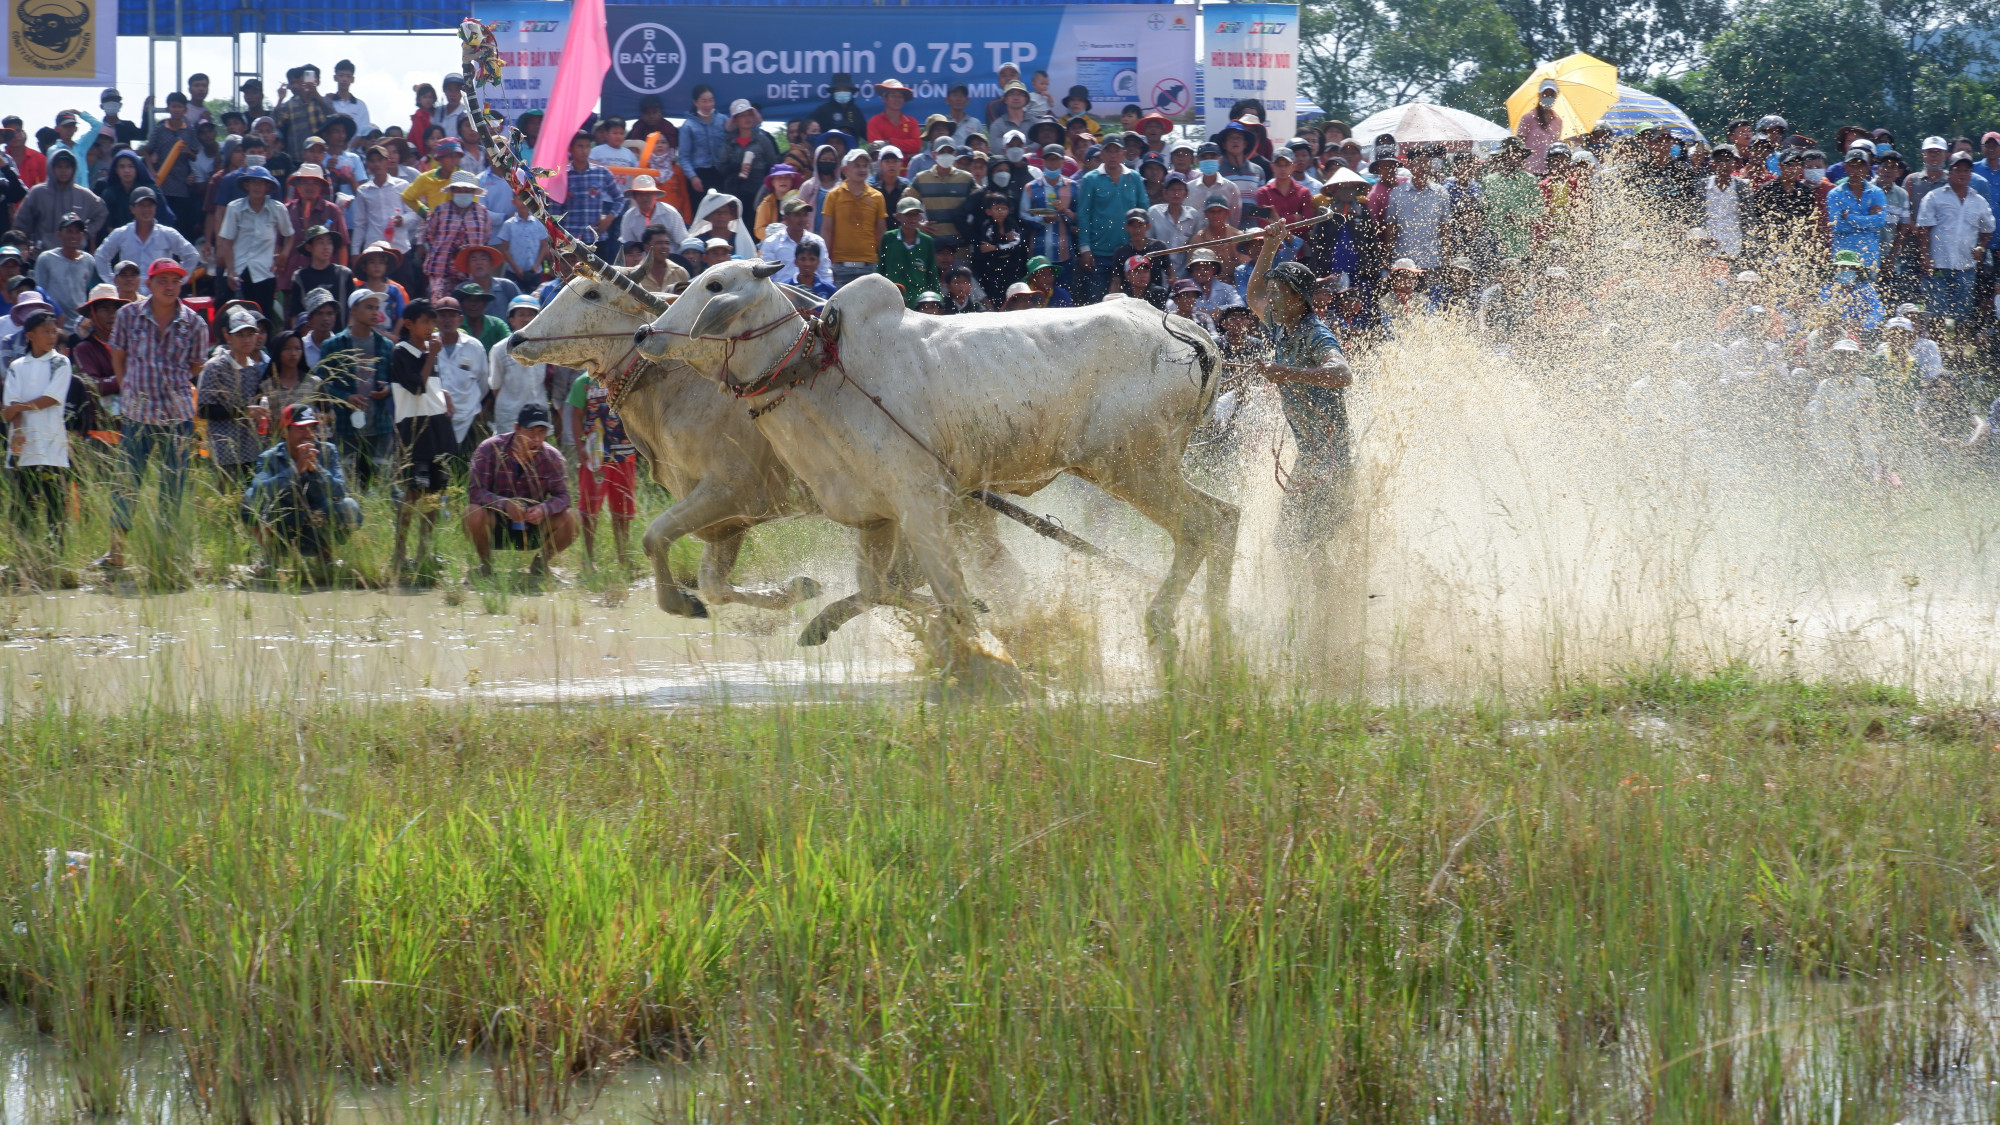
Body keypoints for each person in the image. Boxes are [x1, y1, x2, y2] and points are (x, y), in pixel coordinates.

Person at [1244, 219, 1354, 543]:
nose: (1271, 299)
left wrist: (1286, 373)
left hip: (1333, 460)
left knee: (1305, 545)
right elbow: (1254, 294)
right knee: (1289, 543)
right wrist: (1270, 245)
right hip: (1310, 457)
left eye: (1278, 292)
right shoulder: (1281, 323)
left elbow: (1342, 374)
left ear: (1297, 298)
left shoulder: (1316, 334)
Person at [103, 258, 208, 570]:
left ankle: (166, 555)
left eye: (175, 280)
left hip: (178, 416)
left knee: (173, 487)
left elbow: (195, 367)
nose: (169, 285)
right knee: (126, 484)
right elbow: (118, 358)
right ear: (149, 284)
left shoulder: (195, 323)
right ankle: (116, 554)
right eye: (162, 279)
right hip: (137, 413)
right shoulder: (128, 315)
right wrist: (129, 390)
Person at [239, 402, 360, 577]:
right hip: (283, 527)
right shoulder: (269, 457)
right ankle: (270, 560)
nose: (308, 435)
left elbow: (341, 490)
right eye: (300, 429)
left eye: (311, 428)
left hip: (317, 525)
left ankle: (326, 559)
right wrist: (294, 471)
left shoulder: (327, 451)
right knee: (249, 498)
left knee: (349, 506)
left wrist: (317, 470)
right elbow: (258, 490)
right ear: (284, 432)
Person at [383, 299, 455, 580]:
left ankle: (426, 551)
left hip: (436, 427)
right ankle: (399, 552)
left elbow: (429, 386)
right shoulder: (401, 351)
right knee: (413, 492)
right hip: (414, 431)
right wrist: (432, 356)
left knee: (435, 494)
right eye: (425, 322)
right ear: (409, 324)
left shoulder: (428, 350)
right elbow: (414, 387)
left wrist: (445, 395)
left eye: (432, 322)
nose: (430, 327)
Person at [464, 402, 576, 578]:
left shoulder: (553, 457)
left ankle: (540, 564)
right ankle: (486, 566)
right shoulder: (489, 449)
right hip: (496, 523)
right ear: (516, 428)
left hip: (534, 525)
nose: (536, 439)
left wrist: (543, 509)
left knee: (574, 518)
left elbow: (563, 497)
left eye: (541, 432)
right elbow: (475, 491)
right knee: (472, 513)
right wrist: (504, 505)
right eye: (531, 431)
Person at [4, 307, 72, 557]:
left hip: (51, 444)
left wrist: (20, 407)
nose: (52, 336)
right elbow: (9, 409)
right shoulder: (17, 366)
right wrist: (19, 428)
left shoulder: (60, 362)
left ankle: (56, 558)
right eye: (46, 332)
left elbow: (52, 398)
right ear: (30, 335)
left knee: (54, 505)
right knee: (23, 505)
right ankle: (23, 558)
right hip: (23, 446)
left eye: (54, 331)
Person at [314, 288, 396, 491]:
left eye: (377, 308)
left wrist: (388, 389)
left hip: (380, 425)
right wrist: (346, 397)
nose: (374, 312)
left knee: (383, 484)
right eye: (369, 307)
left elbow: (396, 381)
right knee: (348, 484)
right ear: (355, 310)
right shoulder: (333, 345)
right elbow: (321, 384)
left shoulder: (385, 345)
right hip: (345, 425)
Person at [564, 366, 637, 571]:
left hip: (625, 453)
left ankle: (624, 559)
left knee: (623, 511)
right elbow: (577, 416)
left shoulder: (626, 378)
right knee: (589, 511)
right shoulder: (583, 382)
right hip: (595, 456)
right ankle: (588, 561)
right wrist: (580, 448)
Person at [196, 306, 271, 484]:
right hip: (225, 449)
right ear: (228, 337)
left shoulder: (253, 367)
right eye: (240, 334)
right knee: (228, 497)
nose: (246, 340)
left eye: (250, 334)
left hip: (251, 446)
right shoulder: (215, 367)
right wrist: (244, 411)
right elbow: (204, 409)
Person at [1916, 153, 1996, 320]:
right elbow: (1924, 229)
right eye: (1958, 170)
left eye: (1966, 171)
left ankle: (1958, 345)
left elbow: (1988, 228)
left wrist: (1982, 246)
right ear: (1949, 173)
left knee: (1962, 312)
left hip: (1966, 264)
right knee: (1936, 310)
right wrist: (1924, 256)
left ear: (1971, 174)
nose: (1962, 174)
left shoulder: (1978, 201)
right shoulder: (1934, 197)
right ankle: (1937, 345)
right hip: (1937, 263)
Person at [216, 166, 294, 320]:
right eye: (254, 183)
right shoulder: (234, 208)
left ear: (268, 187)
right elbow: (227, 242)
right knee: (235, 319)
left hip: (264, 273)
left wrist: (284, 254)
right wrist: (231, 271)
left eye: (261, 183)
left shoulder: (277, 209)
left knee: (263, 320)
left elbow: (290, 235)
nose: (257, 187)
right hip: (238, 271)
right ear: (247, 185)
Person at [1077, 137, 1149, 304]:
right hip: (1098, 252)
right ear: (1101, 154)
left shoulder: (1134, 177)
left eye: (1116, 151)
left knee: (1131, 304)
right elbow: (1083, 214)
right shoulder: (1090, 179)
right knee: (1097, 304)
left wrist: (1141, 245)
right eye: (1108, 150)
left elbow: (1143, 211)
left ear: (1123, 153)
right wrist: (1085, 249)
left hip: (1129, 252)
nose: (1113, 155)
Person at [93, 187, 197, 280]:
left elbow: (192, 255)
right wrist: (113, 282)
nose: (146, 210)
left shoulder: (167, 233)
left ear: (155, 208)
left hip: (158, 295)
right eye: (141, 206)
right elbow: (100, 256)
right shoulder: (121, 233)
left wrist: (177, 280)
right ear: (132, 209)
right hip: (130, 295)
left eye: (150, 205)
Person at [15, 151, 107, 253]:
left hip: (75, 255)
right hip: (42, 254)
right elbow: (21, 223)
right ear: (51, 168)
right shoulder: (38, 192)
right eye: (59, 167)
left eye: (67, 167)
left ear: (74, 169)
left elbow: (102, 212)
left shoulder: (83, 194)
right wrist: (27, 245)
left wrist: (84, 234)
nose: (64, 171)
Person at [423, 170, 494, 301]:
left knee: (470, 304)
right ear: (452, 191)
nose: (463, 193)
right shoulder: (440, 210)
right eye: (459, 190)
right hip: (441, 269)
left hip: (471, 272)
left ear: (473, 193)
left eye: (467, 190)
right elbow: (429, 236)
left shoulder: (482, 213)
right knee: (441, 306)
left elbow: (485, 237)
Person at [821, 148, 887, 286]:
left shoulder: (877, 197)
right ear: (845, 170)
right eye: (856, 165)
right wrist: (825, 262)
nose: (862, 169)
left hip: (869, 265)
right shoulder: (833, 195)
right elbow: (827, 230)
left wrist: (882, 263)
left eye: (864, 166)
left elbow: (881, 233)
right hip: (840, 266)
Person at [1385, 149, 1451, 272]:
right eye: (1419, 162)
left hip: (1431, 259)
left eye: (1427, 162)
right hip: (1404, 259)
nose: (1424, 166)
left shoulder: (1441, 193)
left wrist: (1446, 256)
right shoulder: (1397, 194)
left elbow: (1445, 227)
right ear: (1409, 164)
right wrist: (1387, 255)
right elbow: (1391, 227)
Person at [489, 296, 547, 436]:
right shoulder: (500, 349)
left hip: (538, 418)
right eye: (521, 314)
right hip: (510, 418)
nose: (526, 319)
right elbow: (495, 386)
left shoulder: (546, 347)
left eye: (531, 314)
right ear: (511, 320)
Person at [34, 213, 102, 327]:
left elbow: (89, 291)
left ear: (82, 235)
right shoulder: (46, 259)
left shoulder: (89, 260)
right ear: (59, 234)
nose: (73, 236)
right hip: (54, 324)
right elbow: (39, 292)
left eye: (77, 232)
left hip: (80, 325)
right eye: (69, 231)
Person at [1825, 149, 1888, 269]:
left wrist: (1849, 217)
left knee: (1869, 288)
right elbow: (1837, 225)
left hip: (1869, 258)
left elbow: (1880, 221)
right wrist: (1867, 216)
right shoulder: (1835, 194)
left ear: (1867, 168)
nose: (1856, 171)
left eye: (1860, 166)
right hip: (1844, 259)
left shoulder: (1876, 193)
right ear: (1845, 167)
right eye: (1852, 166)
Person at [880, 195, 940, 308]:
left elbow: (932, 273)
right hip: (892, 297)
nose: (912, 218)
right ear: (898, 216)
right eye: (908, 214)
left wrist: (936, 298)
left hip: (918, 299)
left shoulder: (927, 241)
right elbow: (881, 268)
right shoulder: (888, 238)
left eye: (916, 214)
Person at [760, 197, 833, 288]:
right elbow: (767, 276)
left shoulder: (817, 241)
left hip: (813, 296)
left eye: (805, 215)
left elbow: (825, 272)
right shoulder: (772, 243)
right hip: (782, 295)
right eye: (797, 215)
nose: (802, 219)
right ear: (786, 218)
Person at [970, 193, 1028, 302]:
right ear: (989, 211)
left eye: (1004, 208)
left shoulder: (1011, 224)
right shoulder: (987, 226)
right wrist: (1005, 244)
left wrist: (996, 247)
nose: (1001, 211)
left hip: (1012, 268)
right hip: (993, 270)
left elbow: (1017, 244)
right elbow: (985, 248)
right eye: (997, 208)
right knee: (996, 297)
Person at [1517, 79, 1565, 174]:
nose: (1548, 97)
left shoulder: (1558, 121)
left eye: (1551, 94)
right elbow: (1519, 145)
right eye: (1545, 94)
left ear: (1556, 96)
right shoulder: (1528, 118)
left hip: (1549, 171)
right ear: (1539, 95)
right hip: (1530, 170)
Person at [808, 73, 867, 138]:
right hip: (828, 146)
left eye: (845, 89)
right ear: (833, 92)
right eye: (838, 89)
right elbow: (809, 130)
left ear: (851, 92)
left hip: (852, 147)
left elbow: (864, 132)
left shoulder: (855, 110)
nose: (842, 92)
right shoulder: (823, 110)